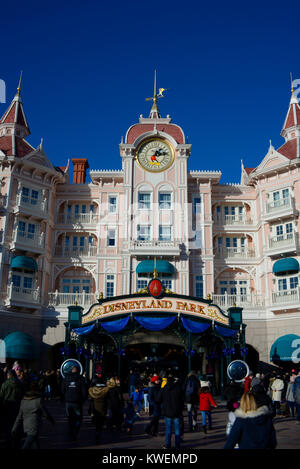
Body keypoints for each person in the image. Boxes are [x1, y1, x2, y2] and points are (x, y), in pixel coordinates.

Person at [11, 381, 55, 449]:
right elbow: (45, 413)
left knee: (35, 443)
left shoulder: (23, 401)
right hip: (35, 426)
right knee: (27, 445)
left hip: (26, 426)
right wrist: (52, 420)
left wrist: (14, 429)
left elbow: (19, 417)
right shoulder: (38, 400)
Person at [157, 372, 185, 449]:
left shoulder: (164, 389)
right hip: (177, 411)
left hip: (167, 412)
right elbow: (182, 399)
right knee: (177, 429)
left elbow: (158, 399)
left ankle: (168, 444)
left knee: (168, 430)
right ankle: (177, 444)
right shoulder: (178, 388)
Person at [61, 365, 87, 441]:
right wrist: (83, 400)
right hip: (77, 402)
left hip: (68, 401)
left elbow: (62, 390)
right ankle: (75, 432)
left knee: (70, 418)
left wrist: (65, 397)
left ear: (71, 370)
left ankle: (71, 431)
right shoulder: (81, 379)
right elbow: (84, 392)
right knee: (78, 418)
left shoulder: (66, 378)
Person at [0, 369, 23, 448]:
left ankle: (9, 442)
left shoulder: (5, 384)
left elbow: (1, 397)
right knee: (17, 425)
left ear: (8, 375)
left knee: (8, 426)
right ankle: (17, 442)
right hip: (18, 407)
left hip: (7, 408)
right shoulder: (20, 383)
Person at [88, 375, 109, 443]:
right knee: (101, 423)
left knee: (97, 423)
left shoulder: (92, 391)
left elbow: (91, 400)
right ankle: (99, 433)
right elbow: (108, 400)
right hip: (103, 408)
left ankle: (97, 433)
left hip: (95, 409)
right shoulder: (105, 391)